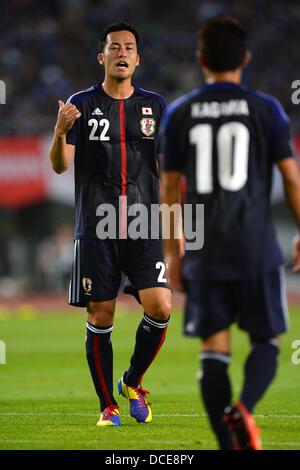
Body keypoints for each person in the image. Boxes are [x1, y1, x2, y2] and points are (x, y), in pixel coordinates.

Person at [161, 15, 300, 450]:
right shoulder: (266, 109)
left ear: (201, 59)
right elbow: (292, 180)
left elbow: (169, 191)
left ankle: (227, 443)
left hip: (205, 251)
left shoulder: (179, 113)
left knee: (213, 351)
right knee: (266, 341)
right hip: (257, 247)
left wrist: (174, 253)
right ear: (246, 58)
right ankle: (243, 409)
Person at [49, 22, 171, 427]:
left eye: (129, 47)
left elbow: (168, 170)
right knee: (101, 317)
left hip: (142, 223)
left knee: (161, 306)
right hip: (96, 227)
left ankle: (132, 381)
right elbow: (59, 165)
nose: (122, 53)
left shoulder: (156, 105)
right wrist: (59, 131)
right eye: (114, 47)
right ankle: (108, 405)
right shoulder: (80, 104)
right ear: (101, 57)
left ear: (137, 58)